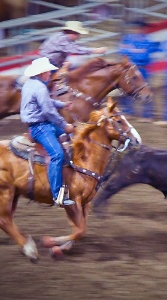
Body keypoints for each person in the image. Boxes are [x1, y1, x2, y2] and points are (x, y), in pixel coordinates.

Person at [20, 57, 76, 206]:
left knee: (71, 137)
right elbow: (48, 111)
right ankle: (57, 195)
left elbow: (47, 102)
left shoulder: (30, 84)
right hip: (40, 127)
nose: (50, 73)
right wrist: (65, 125)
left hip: (41, 124)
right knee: (57, 154)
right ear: (42, 73)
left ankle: (69, 172)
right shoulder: (39, 87)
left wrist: (63, 104)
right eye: (48, 71)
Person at [117, 20, 156, 122]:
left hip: (142, 67)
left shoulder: (147, 40)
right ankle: (128, 111)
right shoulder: (127, 38)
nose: (136, 30)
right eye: (135, 27)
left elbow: (144, 55)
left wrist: (131, 50)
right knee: (127, 89)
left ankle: (147, 114)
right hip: (130, 68)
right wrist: (136, 51)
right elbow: (121, 50)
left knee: (145, 89)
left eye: (138, 28)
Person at [39, 21, 107, 68]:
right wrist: (95, 51)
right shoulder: (61, 38)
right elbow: (75, 49)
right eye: (78, 33)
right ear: (72, 32)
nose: (79, 36)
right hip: (48, 63)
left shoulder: (65, 38)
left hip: (53, 62)